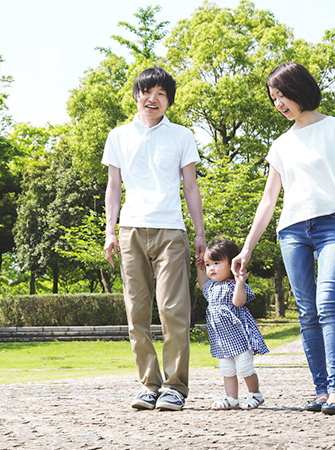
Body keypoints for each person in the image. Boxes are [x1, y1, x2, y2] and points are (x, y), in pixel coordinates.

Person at [232, 62, 335, 415]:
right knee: (307, 312)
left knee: (326, 304)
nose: (278, 104)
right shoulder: (281, 144)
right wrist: (247, 247)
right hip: (292, 231)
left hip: (334, 224)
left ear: (300, 89)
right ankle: (321, 391)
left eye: (282, 95)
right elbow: (268, 199)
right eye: (273, 98)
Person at [102, 67, 206, 411]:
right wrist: (110, 231)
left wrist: (199, 235)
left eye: (162, 94)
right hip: (131, 229)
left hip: (171, 230)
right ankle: (149, 384)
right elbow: (114, 187)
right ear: (137, 95)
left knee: (174, 310)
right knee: (137, 312)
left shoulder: (181, 136)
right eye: (148, 92)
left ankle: (175, 386)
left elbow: (191, 187)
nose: (153, 99)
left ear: (168, 102)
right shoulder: (118, 136)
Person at [196, 239, 268, 410]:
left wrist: (241, 281)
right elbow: (202, 283)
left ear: (232, 264)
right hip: (221, 339)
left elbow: (238, 302)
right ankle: (231, 398)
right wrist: (199, 267)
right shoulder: (211, 287)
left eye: (216, 263)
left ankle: (255, 394)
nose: (211, 268)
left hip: (239, 337)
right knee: (227, 370)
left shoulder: (234, 285)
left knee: (244, 368)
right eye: (207, 264)